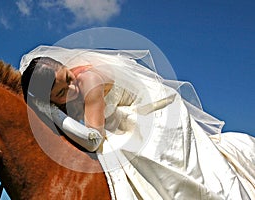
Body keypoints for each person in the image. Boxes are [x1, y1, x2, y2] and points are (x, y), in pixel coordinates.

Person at [20, 45, 255, 200]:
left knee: (150, 162)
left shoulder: (88, 80)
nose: (71, 89)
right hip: (121, 117)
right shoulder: (72, 86)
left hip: (155, 112)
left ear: (65, 67)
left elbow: (93, 140)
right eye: (61, 93)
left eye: (67, 79)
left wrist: (54, 112)